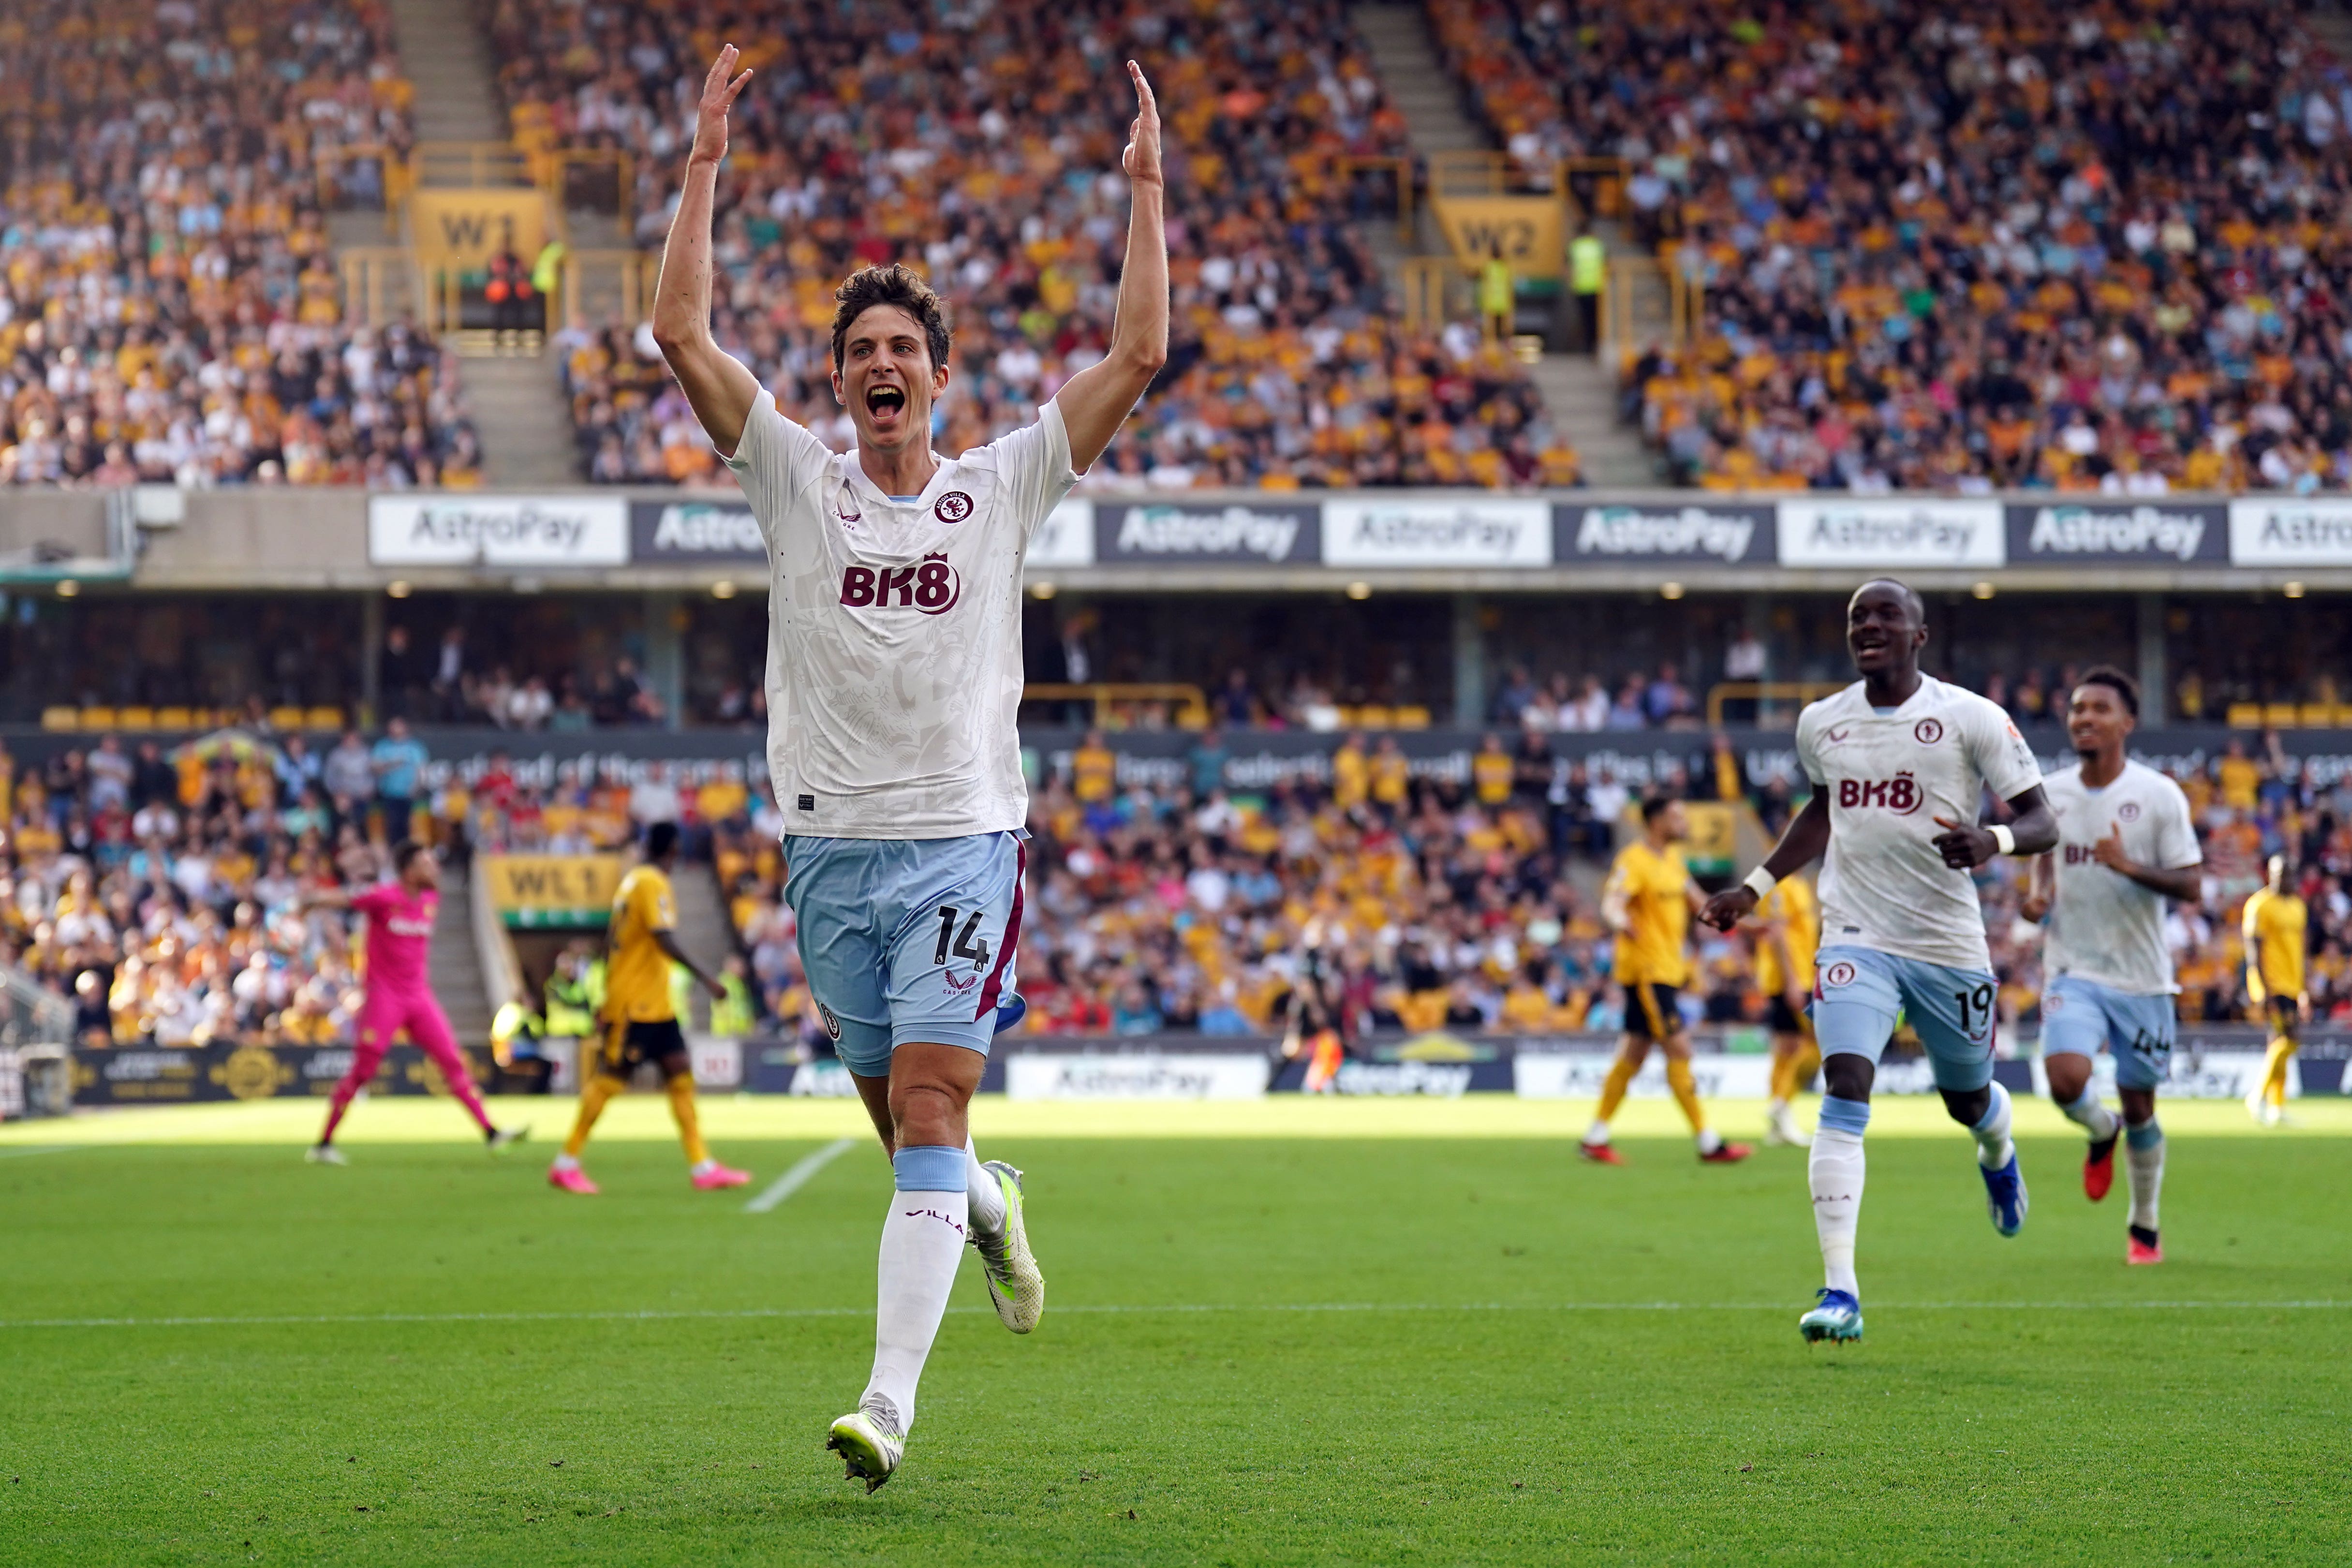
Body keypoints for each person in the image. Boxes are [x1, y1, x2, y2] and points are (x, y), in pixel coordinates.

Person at [649, 45, 1167, 1490]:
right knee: (905, 1131)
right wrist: (703, 165)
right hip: (826, 850)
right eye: (859, 352)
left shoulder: (998, 482)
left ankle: (886, 1402)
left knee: (928, 1107)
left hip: (961, 838)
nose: (882, 366)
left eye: (904, 351)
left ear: (938, 377)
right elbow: (679, 334)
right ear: (837, 382)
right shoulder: (794, 478)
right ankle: (993, 1208)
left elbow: (1135, 358)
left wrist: (1145, 195)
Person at [1700, 579, 2057, 1346]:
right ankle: (1839, 1289)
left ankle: (1995, 1146)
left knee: (1964, 1100)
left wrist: (1990, 841)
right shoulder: (1821, 723)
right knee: (1845, 1081)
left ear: (1918, 635)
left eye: (1885, 614)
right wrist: (1754, 887)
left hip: (1946, 945)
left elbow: (2040, 818)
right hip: (1854, 936)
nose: (1868, 625)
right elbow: (1822, 808)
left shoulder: (1969, 717)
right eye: (1857, 616)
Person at [2018, 666, 2200, 1265]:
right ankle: (2100, 1130)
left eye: (2099, 708)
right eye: (2077, 709)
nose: (2085, 718)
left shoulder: (2158, 795)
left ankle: (2144, 1223)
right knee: (2066, 1079)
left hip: (2143, 978)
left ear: (2127, 722)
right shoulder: (2052, 792)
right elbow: (2043, 858)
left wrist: (2127, 866)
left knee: (2141, 1102)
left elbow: (2192, 884)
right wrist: (2039, 894)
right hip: (2073, 967)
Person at [548, 822, 749, 1194]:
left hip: (656, 1006)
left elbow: (612, 943)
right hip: (635, 1007)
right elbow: (663, 938)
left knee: (681, 1076)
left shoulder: (630, 884)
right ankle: (566, 1162)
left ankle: (702, 1166)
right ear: (673, 848)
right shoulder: (651, 882)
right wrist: (708, 978)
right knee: (610, 1081)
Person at [303, 841, 527, 1163]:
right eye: (427, 864)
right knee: (364, 1070)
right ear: (409, 872)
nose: (435, 868)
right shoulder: (384, 897)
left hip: (419, 997)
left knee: (452, 1061)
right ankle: (323, 1144)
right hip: (385, 997)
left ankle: (491, 1133)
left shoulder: (431, 900)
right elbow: (346, 899)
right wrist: (309, 901)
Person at [1578, 796, 1751, 1167]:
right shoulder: (1633, 860)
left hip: (1668, 972)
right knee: (1680, 1050)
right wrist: (1620, 921)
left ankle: (1595, 1137)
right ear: (1656, 821)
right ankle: (1708, 1142)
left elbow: (1702, 905)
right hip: (1647, 973)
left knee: (1634, 1053)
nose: (1684, 822)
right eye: (1676, 816)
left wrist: (1751, 925)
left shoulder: (1673, 861)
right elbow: (1613, 901)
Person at [1751, 871, 1820, 1148]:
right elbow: (1777, 933)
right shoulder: (1780, 886)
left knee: (1785, 1050)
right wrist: (1792, 980)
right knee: (1814, 1044)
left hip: (1801, 976)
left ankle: (1779, 1119)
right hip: (1789, 979)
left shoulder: (1801, 885)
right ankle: (1781, 1106)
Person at [2241, 853, 2308, 1126]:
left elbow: (2299, 951)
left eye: (2289, 875)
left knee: (2279, 1044)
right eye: (2279, 875)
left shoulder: (2298, 907)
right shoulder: (2259, 905)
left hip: (2292, 984)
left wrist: (2303, 989)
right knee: (2289, 1038)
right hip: (2271, 984)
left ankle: (2276, 1108)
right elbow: (2252, 948)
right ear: (2270, 875)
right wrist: (2263, 987)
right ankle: (2257, 1095)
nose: (2285, 880)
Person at [370, 718, 427, 843]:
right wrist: (391, 764)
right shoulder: (383, 746)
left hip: (409, 793)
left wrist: (417, 787)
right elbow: (375, 768)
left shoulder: (414, 747)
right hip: (389, 792)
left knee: (408, 826)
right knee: (392, 826)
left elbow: (421, 769)